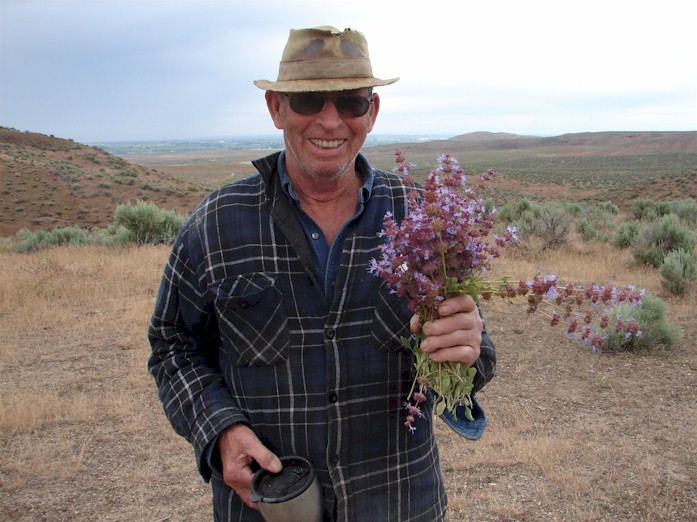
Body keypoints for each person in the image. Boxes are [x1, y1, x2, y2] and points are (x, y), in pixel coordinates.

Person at [148, 25, 496, 521]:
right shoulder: (217, 223)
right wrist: (219, 429)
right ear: (277, 108)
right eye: (310, 99)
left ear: (371, 113)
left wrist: (468, 347)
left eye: (351, 102)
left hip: (400, 505)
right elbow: (172, 344)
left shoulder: (424, 221)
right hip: (266, 508)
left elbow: (473, 356)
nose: (331, 121)